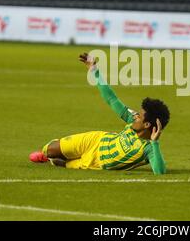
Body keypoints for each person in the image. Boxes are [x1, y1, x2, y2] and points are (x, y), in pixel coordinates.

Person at [29, 53, 170, 174]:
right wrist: (94, 70)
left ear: (146, 124)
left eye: (140, 115)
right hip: (95, 140)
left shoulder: (149, 148)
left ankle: (55, 161)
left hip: (96, 163)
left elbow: (160, 171)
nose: (136, 115)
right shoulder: (132, 120)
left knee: (60, 163)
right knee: (49, 149)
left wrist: (155, 142)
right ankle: (48, 155)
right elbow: (112, 99)